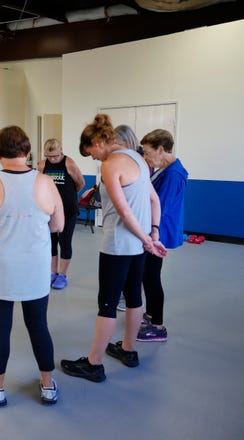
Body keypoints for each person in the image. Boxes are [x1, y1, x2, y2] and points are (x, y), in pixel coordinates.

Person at [61, 114, 167, 383]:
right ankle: (129, 350)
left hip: (119, 244)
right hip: (138, 246)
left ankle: (94, 365)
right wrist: (152, 234)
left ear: (98, 141)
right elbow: (154, 201)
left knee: (107, 304)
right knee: (134, 297)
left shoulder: (110, 165)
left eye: (91, 152)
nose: (93, 158)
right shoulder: (138, 159)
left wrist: (146, 238)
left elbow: (124, 210)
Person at [0, 126, 64, 406]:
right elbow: (57, 225)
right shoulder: (45, 182)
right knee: (39, 326)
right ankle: (48, 385)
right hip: (35, 269)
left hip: (1, 270)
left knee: (0, 329)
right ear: (28, 152)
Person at [138, 129, 188, 342]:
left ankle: (157, 325)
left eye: (148, 152)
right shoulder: (164, 168)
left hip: (160, 233)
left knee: (151, 277)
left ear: (161, 149)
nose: (147, 157)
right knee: (148, 275)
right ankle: (150, 314)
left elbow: (160, 206)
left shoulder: (173, 174)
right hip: (156, 232)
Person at [38, 138, 85, 290]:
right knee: (51, 243)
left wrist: (68, 196)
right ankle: (53, 272)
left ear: (61, 152)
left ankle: (63, 275)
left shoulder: (68, 163)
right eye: (49, 156)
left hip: (68, 211)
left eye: (56, 156)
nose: (53, 159)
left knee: (65, 243)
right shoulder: (42, 165)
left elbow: (81, 183)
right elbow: (40, 185)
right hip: (49, 212)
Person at [112, 124, 144, 312]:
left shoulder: (136, 160)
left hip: (134, 225)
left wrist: (149, 237)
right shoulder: (127, 161)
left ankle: (129, 297)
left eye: (115, 142)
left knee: (135, 273)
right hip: (134, 226)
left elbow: (126, 209)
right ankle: (128, 296)